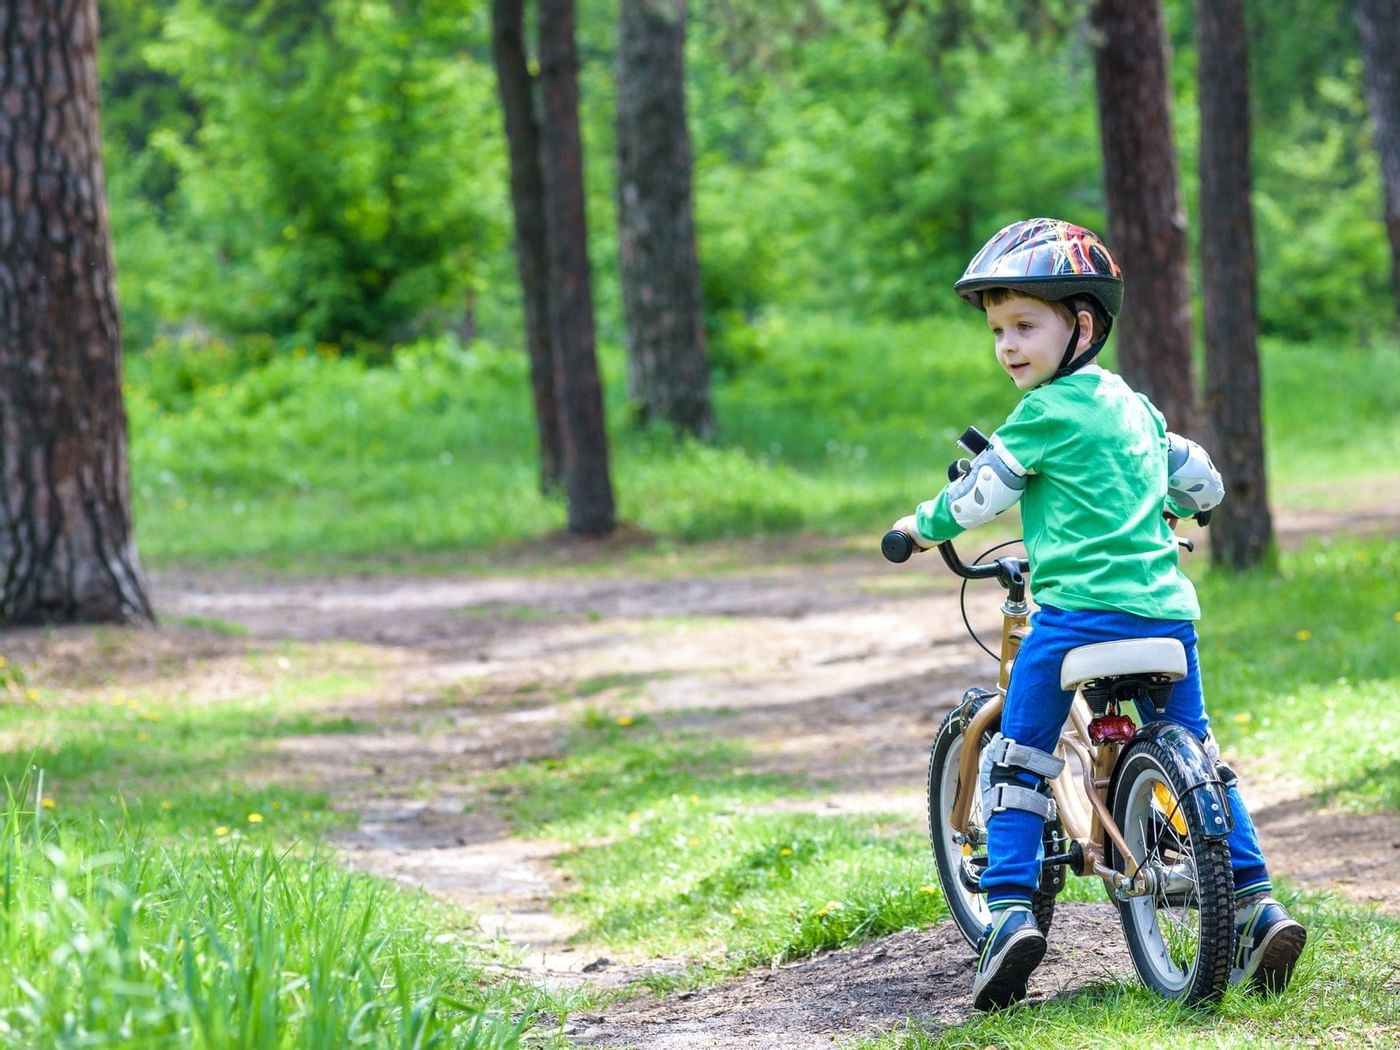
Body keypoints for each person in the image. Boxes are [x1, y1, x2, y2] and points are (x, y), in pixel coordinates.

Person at [891, 217, 1306, 1011]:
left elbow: (980, 493)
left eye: (1025, 326)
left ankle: (1010, 910)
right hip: (1166, 618)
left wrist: (919, 527)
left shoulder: (1042, 417)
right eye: (998, 331)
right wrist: (1189, 509)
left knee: (1022, 757)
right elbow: (1203, 481)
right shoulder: (1134, 408)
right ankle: (1255, 904)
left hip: (1076, 621)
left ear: (1081, 325)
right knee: (1203, 756)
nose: (1008, 346)